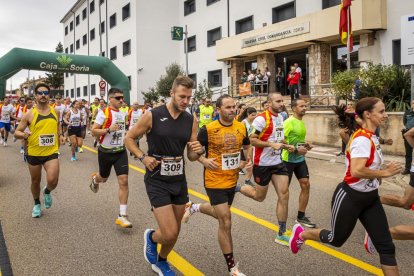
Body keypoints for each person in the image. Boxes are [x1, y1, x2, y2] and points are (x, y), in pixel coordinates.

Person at [289, 97, 403, 276]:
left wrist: (377, 176)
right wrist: (385, 173)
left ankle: (374, 236)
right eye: (381, 111)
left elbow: (368, 165)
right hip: (350, 197)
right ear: (367, 114)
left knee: (387, 247)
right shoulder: (362, 140)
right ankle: (301, 234)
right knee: (336, 239)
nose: (386, 115)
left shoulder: (372, 137)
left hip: (370, 198)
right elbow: (357, 171)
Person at [125, 76, 204, 276]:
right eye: (182, 96)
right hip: (156, 178)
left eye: (189, 97)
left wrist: (199, 150)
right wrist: (143, 157)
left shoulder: (191, 120)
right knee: (168, 232)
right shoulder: (152, 115)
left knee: (175, 231)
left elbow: (192, 156)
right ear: (171, 94)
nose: (185, 101)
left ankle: (161, 262)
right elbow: (130, 138)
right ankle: (152, 238)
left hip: (179, 179)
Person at [182, 95, 251, 275]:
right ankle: (232, 267)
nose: (232, 110)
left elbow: (246, 145)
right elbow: (192, 154)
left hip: (232, 179)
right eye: (228, 107)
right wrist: (204, 160)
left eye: (234, 107)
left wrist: (247, 161)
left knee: (220, 213)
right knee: (225, 220)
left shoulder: (241, 126)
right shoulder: (208, 129)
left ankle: (193, 207)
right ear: (218, 110)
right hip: (214, 180)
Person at [238, 92, 295, 246]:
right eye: (278, 101)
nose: (281, 103)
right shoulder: (261, 119)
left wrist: (286, 145)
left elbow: (278, 137)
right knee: (259, 197)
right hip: (262, 164)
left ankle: (281, 233)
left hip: (277, 162)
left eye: (282, 101)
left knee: (284, 194)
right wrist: (271, 145)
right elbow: (252, 140)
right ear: (269, 103)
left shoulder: (281, 117)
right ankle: (238, 188)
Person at [14, 83, 65, 218]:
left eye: (46, 93)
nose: (43, 95)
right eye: (40, 93)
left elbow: (58, 124)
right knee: (35, 181)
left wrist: (60, 135)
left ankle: (47, 191)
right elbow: (16, 132)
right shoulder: (29, 114)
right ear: (36, 96)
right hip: (34, 152)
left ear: (49, 95)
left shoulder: (56, 112)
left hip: (51, 152)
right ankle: (37, 204)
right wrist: (24, 135)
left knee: (53, 180)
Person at [89, 88, 132, 229]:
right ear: (110, 99)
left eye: (122, 98)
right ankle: (95, 179)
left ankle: (122, 215)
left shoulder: (124, 113)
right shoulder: (104, 113)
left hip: (120, 151)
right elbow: (93, 130)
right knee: (104, 178)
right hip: (106, 152)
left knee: (124, 181)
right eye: (118, 98)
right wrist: (107, 130)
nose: (121, 100)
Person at [282, 99, 316, 228]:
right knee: (284, 191)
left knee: (306, 185)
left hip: (300, 160)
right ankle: (282, 222)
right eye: (301, 106)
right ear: (293, 108)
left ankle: (301, 217)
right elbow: (282, 142)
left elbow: (297, 140)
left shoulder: (301, 122)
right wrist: (296, 149)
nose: (304, 108)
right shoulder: (288, 122)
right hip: (287, 160)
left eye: (305, 106)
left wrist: (306, 145)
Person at [238, 107, 257, 186]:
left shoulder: (254, 122)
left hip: (252, 145)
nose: (254, 117)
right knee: (249, 163)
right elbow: (241, 135)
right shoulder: (243, 122)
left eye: (255, 115)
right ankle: (246, 180)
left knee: (245, 163)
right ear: (248, 114)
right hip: (245, 146)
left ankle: (231, 175)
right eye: (253, 115)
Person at [401, 100, 414, 174]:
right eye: (413, 103)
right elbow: (404, 122)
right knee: (408, 152)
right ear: (411, 104)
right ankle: (407, 169)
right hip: (408, 133)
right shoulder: (407, 112)